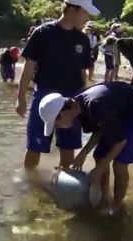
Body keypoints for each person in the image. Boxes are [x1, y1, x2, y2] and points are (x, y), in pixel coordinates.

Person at [38, 81, 133, 212]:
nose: (58, 128)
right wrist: (83, 154)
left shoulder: (94, 105)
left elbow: (120, 142)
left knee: (119, 163)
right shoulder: (78, 109)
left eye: (56, 125)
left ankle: (116, 207)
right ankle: (105, 196)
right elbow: (100, 129)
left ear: (62, 114)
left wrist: (100, 168)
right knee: (99, 156)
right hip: (116, 109)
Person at [16, 0, 99, 170]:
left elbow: (83, 73)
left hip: (72, 98)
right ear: (73, 9)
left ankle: (63, 182)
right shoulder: (43, 32)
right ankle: (31, 187)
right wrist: (21, 98)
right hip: (44, 96)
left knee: (68, 146)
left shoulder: (82, 39)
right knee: (35, 145)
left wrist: (83, 104)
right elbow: (28, 67)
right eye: (85, 12)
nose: (87, 17)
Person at [103, 36, 133, 105]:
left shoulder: (119, 42)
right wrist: (112, 79)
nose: (110, 50)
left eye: (109, 47)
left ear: (111, 44)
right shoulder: (118, 48)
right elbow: (117, 63)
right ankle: (131, 101)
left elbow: (132, 40)